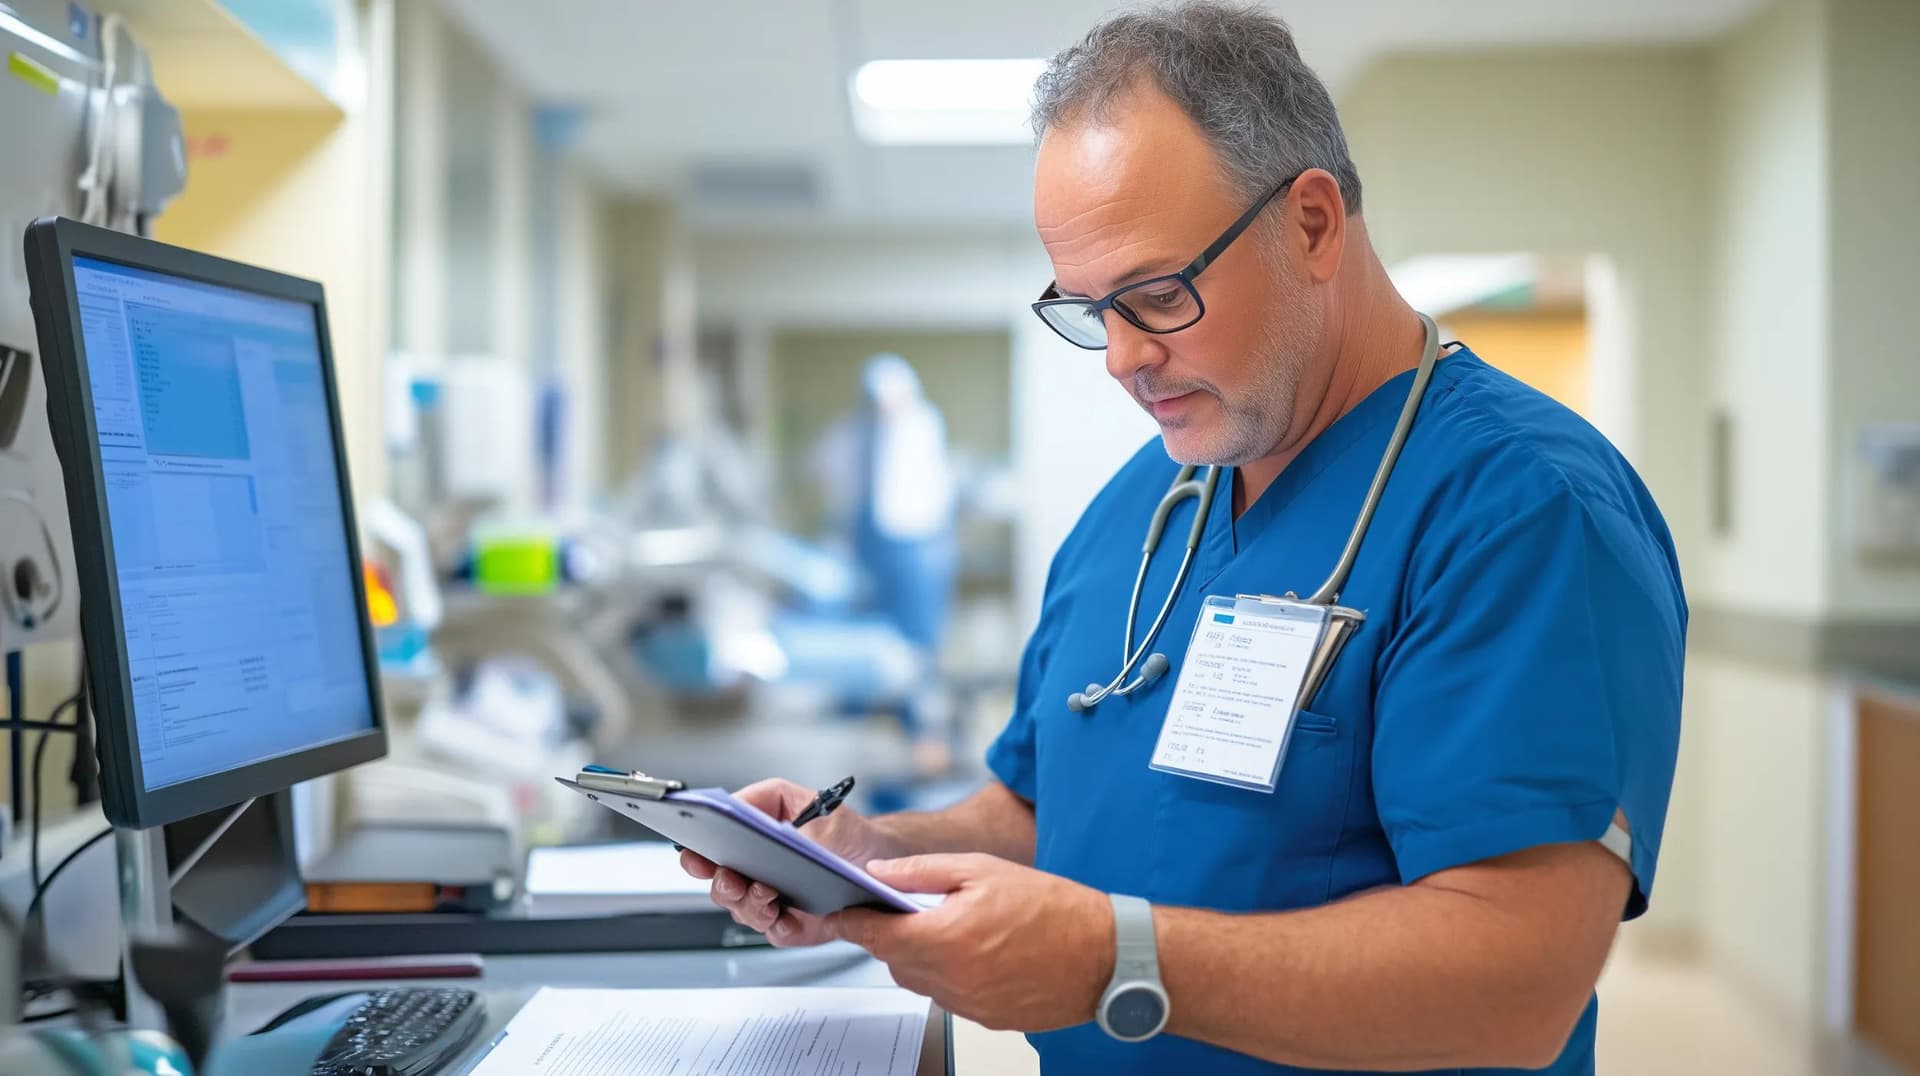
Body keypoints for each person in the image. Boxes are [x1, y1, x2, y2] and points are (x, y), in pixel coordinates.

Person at [683, 4, 1684, 1074]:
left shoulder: (1519, 508)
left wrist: (1113, 961)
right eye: (1089, 309)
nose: (1120, 358)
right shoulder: (1143, 507)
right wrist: (872, 851)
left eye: (1157, 295)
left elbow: (1518, 982)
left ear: (1311, 223)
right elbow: (1041, 806)